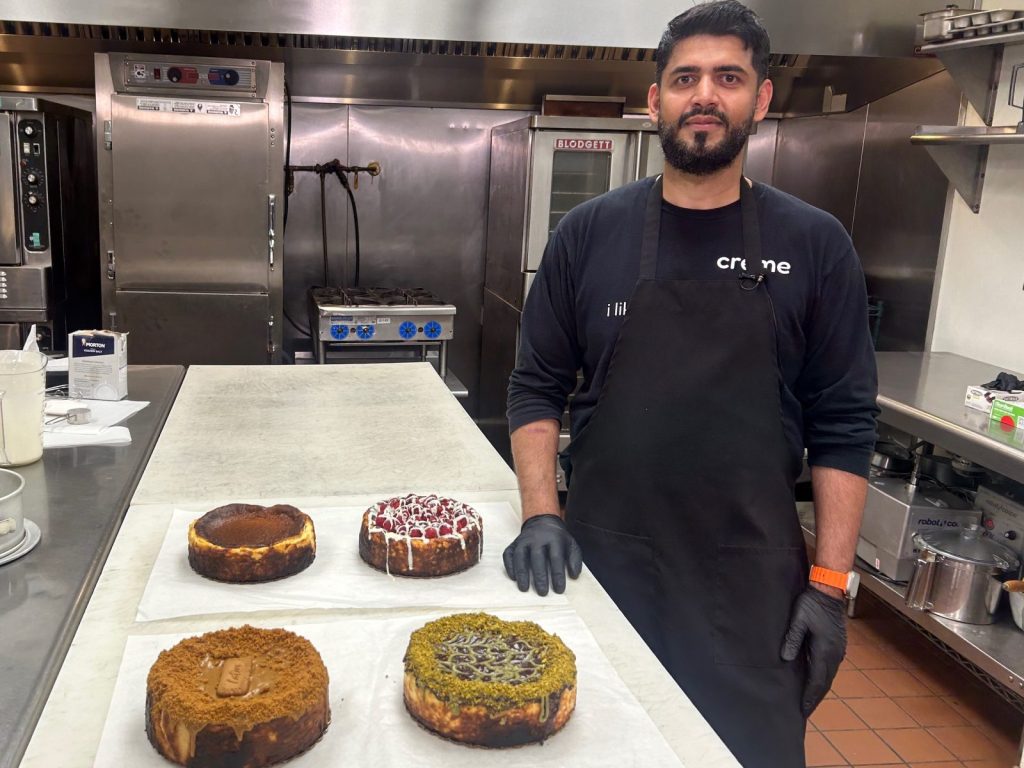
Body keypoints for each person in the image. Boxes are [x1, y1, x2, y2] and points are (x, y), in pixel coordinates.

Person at [501, 2, 879, 765]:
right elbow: (535, 386)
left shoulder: (814, 242)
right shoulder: (587, 233)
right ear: (656, 101)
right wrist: (542, 515)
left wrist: (830, 585)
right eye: (685, 79)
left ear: (761, 101)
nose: (704, 95)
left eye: (728, 77)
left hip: (751, 589)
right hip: (605, 569)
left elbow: (844, 423)